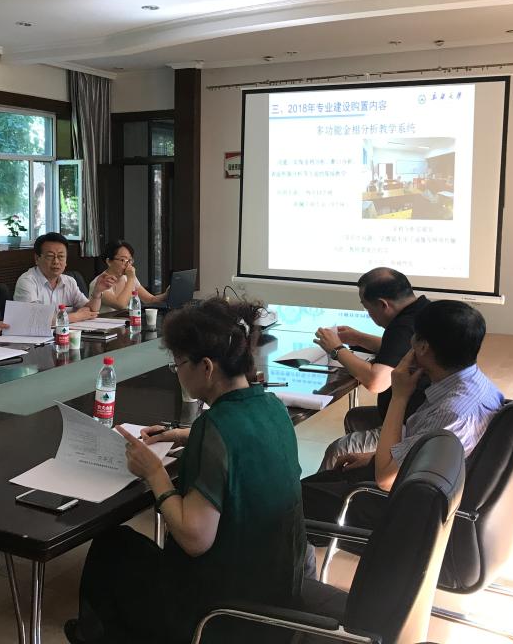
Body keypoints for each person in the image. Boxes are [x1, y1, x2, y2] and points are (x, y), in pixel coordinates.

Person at [65, 298, 304, 644]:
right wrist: (181, 434)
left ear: (206, 367)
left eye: (178, 363)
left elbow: (194, 539)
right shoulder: (272, 407)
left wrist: (154, 472)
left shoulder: (215, 427)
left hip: (221, 614)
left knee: (111, 546)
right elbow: (243, 440)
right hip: (276, 592)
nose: (176, 372)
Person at [302, 300, 504, 526]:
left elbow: (386, 480)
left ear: (423, 347)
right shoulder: (474, 384)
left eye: (414, 335)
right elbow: (419, 449)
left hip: (406, 510)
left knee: (296, 500)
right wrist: (374, 458)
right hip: (423, 485)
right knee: (318, 482)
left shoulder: (451, 412)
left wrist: (399, 396)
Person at [312, 267, 430, 470]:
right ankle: (353, 478)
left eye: (367, 308)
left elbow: (377, 382)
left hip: (412, 425)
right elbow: (400, 351)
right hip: (417, 411)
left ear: (383, 305)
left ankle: (320, 490)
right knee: (355, 417)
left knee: (339, 449)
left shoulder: (403, 326)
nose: (369, 314)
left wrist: (336, 350)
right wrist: (358, 338)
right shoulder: (423, 310)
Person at [14, 232, 114, 323]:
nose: (56, 261)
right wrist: (75, 316)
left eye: (61, 256)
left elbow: (91, 311)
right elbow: (32, 319)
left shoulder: (69, 281)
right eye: (50, 256)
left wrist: (97, 292)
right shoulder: (27, 281)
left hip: (65, 334)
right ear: (37, 259)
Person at [88, 239, 169, 312]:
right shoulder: (100, 283)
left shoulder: (128, 277)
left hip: (126, 321)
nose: (128, 264)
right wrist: (130, 278)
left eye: (130, 260)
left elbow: (150, 300)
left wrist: (167, 294)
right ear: (109, 261)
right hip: (106, 323)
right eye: (123, 260)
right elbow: (121, 305)